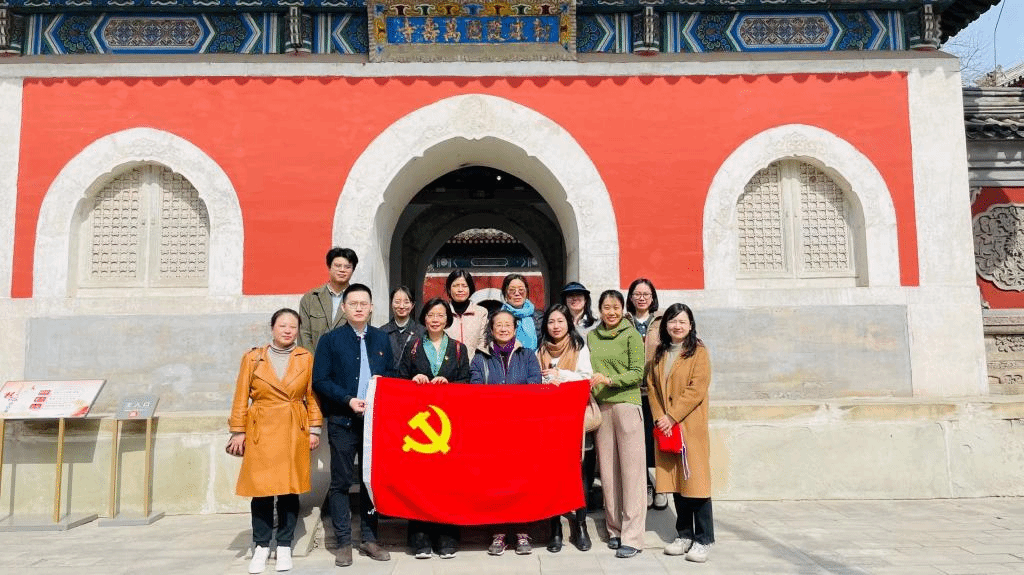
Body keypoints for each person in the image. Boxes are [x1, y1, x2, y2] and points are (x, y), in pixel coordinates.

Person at [227, 308, 322, 574]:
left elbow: (312, 396)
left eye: (293, 326)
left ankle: (284, 545)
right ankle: (260, 545)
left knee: (290, 489)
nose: (288, 330)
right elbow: (240, 396)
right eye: (282, 325)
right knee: (261, 490)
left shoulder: (305, 357)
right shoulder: (253, 358)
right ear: (272, 328)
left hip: (294, 426)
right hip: (261, 426)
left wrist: (314, 429)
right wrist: (238, 430)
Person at [312, 284, 394, 567]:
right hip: (342, 421)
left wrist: (386, 386)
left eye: (364, 303)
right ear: (344, 308)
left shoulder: (382, 339)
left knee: (369, 480)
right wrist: (347, 399)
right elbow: (320, 380)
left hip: (373, 423)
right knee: (341, 482)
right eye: (353, 303)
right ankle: (343, 541)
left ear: (371, 308)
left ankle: (369, 539)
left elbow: (392, 374)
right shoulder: (330, 340)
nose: (359, 308)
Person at [397, 298, 471, 559]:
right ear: (424, 318)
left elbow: (467, 381)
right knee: (420, 482)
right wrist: (413, 380)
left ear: (447, 319)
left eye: (440, 315)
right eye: (431, 315)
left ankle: (448, 538)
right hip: (421, 427)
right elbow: (399, 380)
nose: (435, 319)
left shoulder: (459, 349)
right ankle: (420, 539)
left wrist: (449, 384)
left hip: (449, 425)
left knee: (449, 482)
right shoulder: (413, 347)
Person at [470, 309, 543, 556]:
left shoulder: (528, 355)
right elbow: (475, 389)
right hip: (491, 431)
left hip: (521, 429)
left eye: (507, 324)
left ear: (515, 328)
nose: (503, 328)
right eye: (498, 325)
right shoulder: (480, 357)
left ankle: (522, 532)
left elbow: (535, 385)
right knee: (496, 482)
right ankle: (498, 533)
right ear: (491, 329)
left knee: (521, 481)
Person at [646, 303, 714, 563]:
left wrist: (672, 416)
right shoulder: (660, 352)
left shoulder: (698, 352)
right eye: (672, 321)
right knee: (675, 482)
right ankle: (684, 534)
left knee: (696, 483)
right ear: (665, 325)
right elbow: (652, 386)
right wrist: (660, 417)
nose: (677, 326)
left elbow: (697, 389)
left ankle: (704, 539)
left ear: (690, 325)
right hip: (667, 428)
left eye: (682, 321)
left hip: (689, 426)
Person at [587, 290, 646, 558]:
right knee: (608, 473)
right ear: (599, 310)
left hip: (626, 405)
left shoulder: (631, 335)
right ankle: (614, 529)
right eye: (606, 307)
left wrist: (610, 380)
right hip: (602, 408)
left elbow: (637, 373)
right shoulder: (592, 337)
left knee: (632, 473)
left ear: (623, 309)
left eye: (615, 307)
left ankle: (632, 537)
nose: (611, 312)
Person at [537, 304, 593, 554]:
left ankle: (580, 525)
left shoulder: (579, 348)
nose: (556, 326)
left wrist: (562, 375)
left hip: (575, 418)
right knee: (551, 474)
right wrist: (545, 379)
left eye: (560, 321)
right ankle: (554, 528)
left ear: (568, 323)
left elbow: (587, 377)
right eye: (551, 322)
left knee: (579, 472)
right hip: (549, 420)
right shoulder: (539, 350)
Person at [626, 277, 667, 510]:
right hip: (631, 391)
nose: (641, 298)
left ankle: (662, 486)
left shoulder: (662, 320)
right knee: (637, 442)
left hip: (656, 391)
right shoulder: (624, 321)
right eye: (637, 294)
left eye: (646, 294)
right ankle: (647, 485)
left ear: (652, 297)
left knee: (657, 440)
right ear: (631, 298)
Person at [298, 247, 358, 356]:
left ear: (353, 270)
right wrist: (316, 361)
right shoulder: (310, 298)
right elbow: (304, 335)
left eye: (347, 267)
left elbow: (362, 335)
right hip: (314, 360)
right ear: (329, 267)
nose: (342, 270)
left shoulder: (359, 300)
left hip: (347, 361)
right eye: (337, 266)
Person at [444, 270, 489, 360]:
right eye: (456, 286)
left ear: (470, 288)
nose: (460, 290)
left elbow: (483, 342)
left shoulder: (481, 312)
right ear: (449, 288)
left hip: (474, 365)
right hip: (447, 365)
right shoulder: (443, 313)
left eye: (464, 286)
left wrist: (476, 363)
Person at [381, 286, 425, 371]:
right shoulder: (382, 332)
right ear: (391, 304)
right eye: (397, 302)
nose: (401, 306)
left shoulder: (422, 332)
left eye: (406, 302)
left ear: (412, 305)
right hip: (389, 378)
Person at [500, 273, 543, 352]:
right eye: (512, 290)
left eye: (521, 290)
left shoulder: (539, 318)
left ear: (526, 293)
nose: (517, 293)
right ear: (505, 294)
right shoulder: (498, 317)